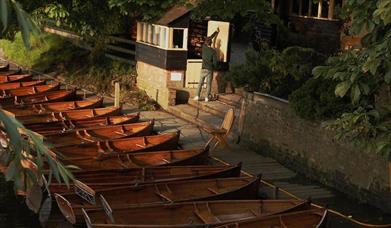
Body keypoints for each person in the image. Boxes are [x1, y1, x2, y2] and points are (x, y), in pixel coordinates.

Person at [193, 28, 220, 102]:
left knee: (200, 83)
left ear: (206, 43)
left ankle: (197, 96)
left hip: (203, 68)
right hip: (209, 69)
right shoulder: (213, 51)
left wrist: (215, 32)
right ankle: (206, 98)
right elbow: (215, 62)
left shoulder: (204, 48)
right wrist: (215, 67)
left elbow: (209, 38)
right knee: (208, 84)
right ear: (211, 43)